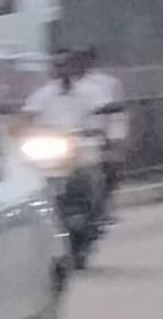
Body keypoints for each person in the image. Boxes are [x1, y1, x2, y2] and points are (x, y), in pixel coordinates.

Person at [21, 46, 125, 214]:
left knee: (95, 168)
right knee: (30, 170)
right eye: (57, 66)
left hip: (82, 142)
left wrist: (100, 123)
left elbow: (105, 106)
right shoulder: (43, 94)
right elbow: (28, 113)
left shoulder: (91, 91)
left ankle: (98, 208)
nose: (61, 70)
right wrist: (23, 129)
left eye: (65, 65)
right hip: (51, 144)